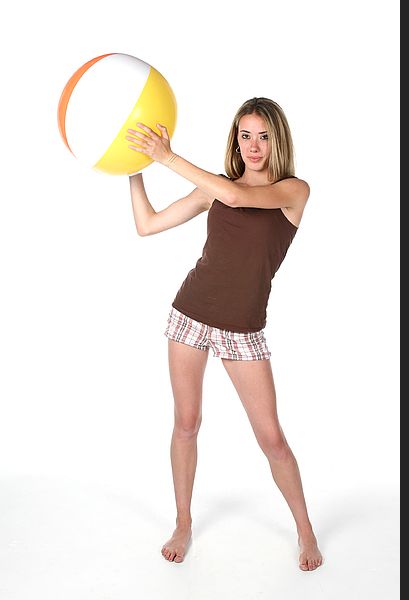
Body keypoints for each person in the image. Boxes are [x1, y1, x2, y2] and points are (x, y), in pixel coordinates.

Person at [126, 97, 323, 571]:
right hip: (189, 314)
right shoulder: (214, 188)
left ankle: (305, 529)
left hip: (242, 330)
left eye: (264, 136)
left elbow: (238, 198)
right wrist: (132, 166)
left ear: (278, 140)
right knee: (186, 423)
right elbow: (147, 225)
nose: (253, 146)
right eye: (245, 135)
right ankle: (182, 522)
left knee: (272, 438)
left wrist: (167, 157)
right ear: (235, 138)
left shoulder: (293, 190)